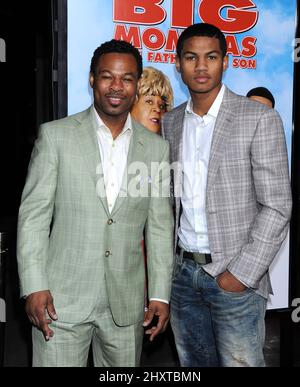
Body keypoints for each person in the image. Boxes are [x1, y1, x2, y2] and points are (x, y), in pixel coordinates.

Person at [17, 39, 174, 367]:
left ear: (136, 83)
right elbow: (33, 217)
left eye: (127, 79)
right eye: (107, 77)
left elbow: (160, 227)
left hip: (127, 307)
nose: (117, 87)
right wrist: (33, 285)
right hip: (60, 301)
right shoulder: (56, 136)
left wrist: (159, 293)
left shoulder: (156, 149)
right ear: (92, 79)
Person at [161, 23, 292, 367]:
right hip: (182, 277)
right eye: (191, 57)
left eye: (211, 57)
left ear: (225, 61)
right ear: (178, 64)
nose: (201, 66)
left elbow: (278, 205)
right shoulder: (170, 123)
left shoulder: (259, 118)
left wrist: (240, 274)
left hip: (235, 278)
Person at [131, 66, 173, 134]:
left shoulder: (166, 144)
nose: (158, 109)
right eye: (149, 102)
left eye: (161, 106)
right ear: (131, 103)